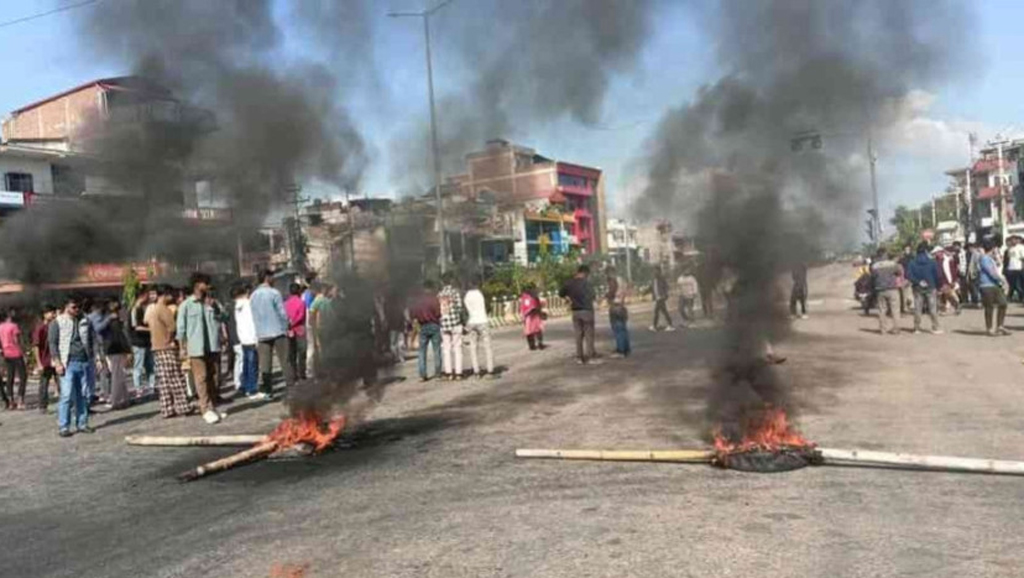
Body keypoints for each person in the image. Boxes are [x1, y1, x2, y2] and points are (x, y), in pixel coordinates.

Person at [178, 273, 228, 424]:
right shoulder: (186, 305)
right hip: (196, 348)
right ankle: (205, 408)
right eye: (205, 283)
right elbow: (181, 329)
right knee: (201, 378)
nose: (208, 286)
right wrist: (182, 348)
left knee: (213, 378)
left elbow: (225, 317)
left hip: (212, 346)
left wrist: (215, 307)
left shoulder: (213, 302)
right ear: (197, 285)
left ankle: (213, 407)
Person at [49, 296, 98, 436]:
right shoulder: (57, 322)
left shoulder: (85, 320)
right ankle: (64, 426)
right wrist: (57, 362)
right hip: (67, 362)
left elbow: (92, 339)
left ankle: (82, 423)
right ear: (66, 307)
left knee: (82, 395)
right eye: (73, 307)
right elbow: (53, 343)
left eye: (78, 307)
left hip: (83, 361)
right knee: (66, 395)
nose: (77, 310)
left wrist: (97, 358)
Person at [146, 285, 194, 419]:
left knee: (164, 381)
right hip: (166, 348)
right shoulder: (164, 310)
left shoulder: (153, 310)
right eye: (170, 294)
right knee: (176, 378)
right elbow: (173, 328)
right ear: (165, 295)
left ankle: (167, 409)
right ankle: (183, 406)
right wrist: (171, 340)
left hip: (157, 347)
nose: (172, 297)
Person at [250, 269, 294, 399]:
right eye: (272, 277)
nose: (274, 279)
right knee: (285, 361)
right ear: (267, 278)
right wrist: (287, 325)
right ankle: (291, 388)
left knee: (265, 364)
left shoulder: (253, 296)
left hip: (262, 334)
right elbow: (282, 313)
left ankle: (268, 391)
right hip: (278, 331)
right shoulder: (274, 293)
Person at [560, 265, 599, 364]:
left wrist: (568, 298)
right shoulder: (587, 283)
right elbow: (593, 296)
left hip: (575, 311)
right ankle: (590, 357)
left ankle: (579, 357)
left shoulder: (569, 283)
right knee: (589, 335)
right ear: (585, 273)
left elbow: (561, 293)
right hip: (587, 311)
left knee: (578, 335)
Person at [906, 242, 943, 335]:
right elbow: (938, 275)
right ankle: (935, 327)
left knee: (918, 308)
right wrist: (938, 286)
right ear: (926, 251)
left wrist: (917, 281)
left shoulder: (912, 262)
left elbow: (908, 275)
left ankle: (916, 328)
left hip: (917, 287)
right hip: (931, 286)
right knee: (932, 308)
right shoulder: (932, 262)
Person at [102, 300, 132, 410]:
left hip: (113, 350)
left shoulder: (110, 322)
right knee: (117, 376)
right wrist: (128, 350)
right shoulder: (114, 323)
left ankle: (123, 399)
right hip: (116, 350)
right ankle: (117, 400)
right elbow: (121, 338)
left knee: (118, 375)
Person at [410, 280, 442, 381]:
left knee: (422, 351)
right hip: (434, 325)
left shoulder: (418, 300)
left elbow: (413, 314)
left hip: (422, 326)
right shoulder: (434, 299)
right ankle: (437, 373)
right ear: (431, 288)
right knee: (437, 350)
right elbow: (438, 313)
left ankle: (423, 374)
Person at [463, 275, 495, 378]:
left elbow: (465, 310)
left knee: (473, 347)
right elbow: (489, 307)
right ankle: (490, 371)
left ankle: (476, 371)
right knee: (487, 346)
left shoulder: (466, 295)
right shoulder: (483, 293)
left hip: (471, 321)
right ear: (478, 283)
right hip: (483, 321)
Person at [231, 285, 260, 398]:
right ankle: (252, 389)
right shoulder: (248, 304)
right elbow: (252, 322)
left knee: (246, 365)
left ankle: (245, 385)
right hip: (251, 338)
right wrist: (256, 337)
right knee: (252, 365)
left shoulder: (237, 306)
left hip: (243, 338)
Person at [979, 239, 1011, 336]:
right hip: (987, 285)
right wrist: (1003, 280)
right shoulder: (984, 258)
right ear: (992, 248)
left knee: (1003, 303)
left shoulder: (990, 259)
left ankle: (1000, 326)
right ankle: (989, 328)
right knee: (989, 307)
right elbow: (992, 273)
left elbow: (998, 267)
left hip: (995, 285)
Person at [128, 289, 156, 397]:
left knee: (150, 366)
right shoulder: (134, 309)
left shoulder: (143, 308)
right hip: (138, 342)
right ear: (142, 296)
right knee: (138, 366)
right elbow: (136, 327)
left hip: (147, 342)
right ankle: (138, 388)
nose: (149, 297)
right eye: (147, 295)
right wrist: (151, 329)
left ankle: (151, 386)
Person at [870, 247, 903, 335]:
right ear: (886, 254)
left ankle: (883, 329)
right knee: (895, 309)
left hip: (880, 290)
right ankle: (896, 329)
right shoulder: (892, 264)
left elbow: (873, 277)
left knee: (882, 310)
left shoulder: (874, 266)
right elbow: (899, 273)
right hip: (892, 289)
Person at [438, 272, 464, 381]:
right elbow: (459, 308)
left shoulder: (439, 294)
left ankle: (448, 373)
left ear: (442, 282)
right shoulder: (455, 293)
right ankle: (458, 373)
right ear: (452, 280)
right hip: (455, 323)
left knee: (446, 349)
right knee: (457, 348)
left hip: (444, 324)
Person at [32, 305, 58, 413]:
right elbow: (36, 346)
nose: (53, 315)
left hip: (56, 359)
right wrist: (39, 363)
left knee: (61, 381)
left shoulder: (55, 326)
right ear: (45, 314)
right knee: (44, 383)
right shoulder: (40, 328)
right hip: (45, 360)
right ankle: (42, 406)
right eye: (51, 312)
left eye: (54, 312)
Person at [0, 309, 27, 410]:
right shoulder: (14, 326)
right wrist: (23, 351)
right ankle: (20, 400)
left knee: (10, 377)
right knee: (23, 376)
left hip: (6, 354)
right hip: (16, 353)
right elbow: (16, 340)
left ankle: (11, 401)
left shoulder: (0, 327)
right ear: (9, 316)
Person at [284, 282, 308, 381]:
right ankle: (302, 373)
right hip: (299, 330)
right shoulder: (301, 302)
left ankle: (294, 375)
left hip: (289, 331)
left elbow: (283, 316)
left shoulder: (285, 303)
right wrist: (293, 323)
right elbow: (301, 316)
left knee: (291, 354)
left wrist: (288, 325)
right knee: (301, 353)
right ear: (298, 291)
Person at [605, 266, 630, 358]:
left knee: (617, 329)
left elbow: (612, 291)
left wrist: (607, 296)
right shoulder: (622, 280)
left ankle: (620, 350)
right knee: (623, 329)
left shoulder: (613, 280)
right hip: (622, 305)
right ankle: (626, 348)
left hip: (615, 306)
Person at [385, 286, 408, 364]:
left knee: (393, 343)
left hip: (392, 325)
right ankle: (401, 357)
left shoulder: (388, 304)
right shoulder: (400, 303)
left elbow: (386, 315)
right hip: (400, 324)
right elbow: (404, 312)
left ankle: (395, 357)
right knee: (400, 341)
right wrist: (406, 320)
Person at [935, 247, 961, 315]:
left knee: (948, 295)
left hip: (946, 280)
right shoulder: (936, 261)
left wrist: (954, 280)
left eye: (937, 252)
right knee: (943, 296)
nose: (936, 254)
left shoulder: (948, 260)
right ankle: (946, 309)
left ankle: (955, 306)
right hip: (940, 281)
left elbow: (953, 271)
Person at [519, 283, 546, 350]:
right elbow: (537, 305)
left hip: (530, 316)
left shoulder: (525, 296)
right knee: (536, 330)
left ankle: (533, 345)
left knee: (531, 330)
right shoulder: (531, 296)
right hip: (532, 315)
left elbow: (523, 307)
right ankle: (538, 344)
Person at [649, 265, 676, 332]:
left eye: (656, 270)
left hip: (661, 297)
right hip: (657, 297)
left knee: (657, 312)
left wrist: (665, 294)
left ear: (659, 271)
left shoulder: (662, 278)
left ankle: (655, 326)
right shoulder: (653, 279)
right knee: (663, 311)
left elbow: (666, 287)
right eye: (654, 271)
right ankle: (669, 325)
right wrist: (644, 292)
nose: (654, 272)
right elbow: (651, 288)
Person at [1005, 236, 1024, 302]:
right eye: (1011, 240)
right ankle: (1018, 297)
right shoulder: (1010, 248)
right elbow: (1009, 259)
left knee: (1018, 285)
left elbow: (1022, 258)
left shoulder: (1020, 247)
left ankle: (1021, 297)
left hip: (1018, 268)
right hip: (1011, 268)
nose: (1013, 241)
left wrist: (1022, 267)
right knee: (1012, 284)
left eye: (1014, 240)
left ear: (1016, 240)